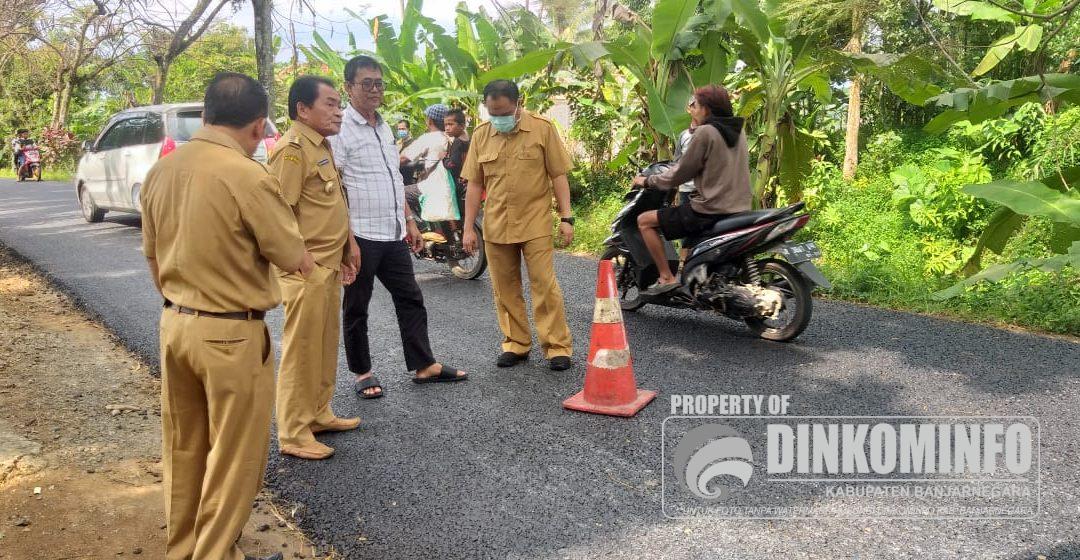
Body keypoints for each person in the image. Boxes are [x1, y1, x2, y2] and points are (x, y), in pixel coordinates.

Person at [141, 72, 312, 560]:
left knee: (183, 448)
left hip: (174, 324)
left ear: (207, 113)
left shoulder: (162, 171)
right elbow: (291, 254)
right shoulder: (247, 175)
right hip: (231, 334)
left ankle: (183, 550)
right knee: (236, 459)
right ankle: (214, 554)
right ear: (259, 127)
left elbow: (152, 257)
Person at [329, 55, 466, 399]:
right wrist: (347, 241)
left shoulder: (384, 126)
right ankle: (363, 372)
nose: (375, 90)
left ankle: (424, 364)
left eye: (379, 83)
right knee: (357, 306)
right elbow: (336, 186)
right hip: (360, 233)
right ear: (349, 88)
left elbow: (393, 179)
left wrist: (409, 221)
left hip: (391, 231)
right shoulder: (341, 129)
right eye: (366, 84)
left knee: (410, 297)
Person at [267, 76, 362, 461]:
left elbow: (331, 203)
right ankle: (292, 430)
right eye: (330, 103)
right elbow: (278, 214)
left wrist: (348, 245)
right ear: (302, 109)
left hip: (327, 263)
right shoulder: (291, 151)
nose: (339, 110)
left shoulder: (320, 146)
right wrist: (301, 261)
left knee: (323, 344)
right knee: (301, 349)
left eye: (339, 104)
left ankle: (318, 413)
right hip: (306, 268)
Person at [460, 80, 575, 371]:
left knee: (544, 284)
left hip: (535, 221)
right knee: (504, 287)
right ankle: (516, 343)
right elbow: (475, 184)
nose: (497, 117)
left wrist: (566, 217)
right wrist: (467, 228)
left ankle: (557, 347)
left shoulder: (542, 128)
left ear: (518, 104)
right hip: (497, 223)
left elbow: (558, 175)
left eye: (503, 112)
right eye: (491, 111)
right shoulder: (481, 135)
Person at [632, 84, 752, 296]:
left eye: (694, 105)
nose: (691, 109)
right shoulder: (738, 131)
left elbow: (681, 173)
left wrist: (647, 181)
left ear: (707, 108)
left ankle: (666, 277)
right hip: (739, 208)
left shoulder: (706, 132)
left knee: (644, 221)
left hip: (709, 209)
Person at [401, 103, 451, 216]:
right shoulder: (451, 136)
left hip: (431, 186)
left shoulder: (429, 138)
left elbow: (404, 158)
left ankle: (415, 226)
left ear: (430, 120)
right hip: (449, 185)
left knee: (397, 194)